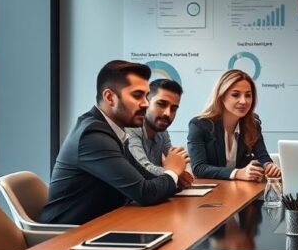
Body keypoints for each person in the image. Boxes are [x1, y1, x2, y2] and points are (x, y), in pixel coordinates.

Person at [41, 60, 190, 225]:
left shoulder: (113, 130)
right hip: (68, 237)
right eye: (137, 95)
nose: (146, 103)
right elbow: (144, 193)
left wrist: (175, 178)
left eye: (147, 96)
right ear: (110, 97)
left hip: (101, 226)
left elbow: (145, 178)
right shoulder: (93, 135)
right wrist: (173, 172)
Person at [188, 69, 281, 181]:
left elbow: (262, 157)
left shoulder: (253, 125)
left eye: (248, 95)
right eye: (236, 95)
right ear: (221, 96)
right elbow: (199, 168)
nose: (243, 101)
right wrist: (237, 173)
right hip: (213, 193)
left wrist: (269, 166)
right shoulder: (199, 125)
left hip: (242, 192)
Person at [125, 79, 193, 187]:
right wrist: (174, 173)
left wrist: (184, 170)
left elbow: (176, 158)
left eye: (173, 109)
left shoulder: (162, 131)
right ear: (146, 102)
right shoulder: (130, 128)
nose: (167, 113)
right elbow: (143, 169)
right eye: (161, 104)